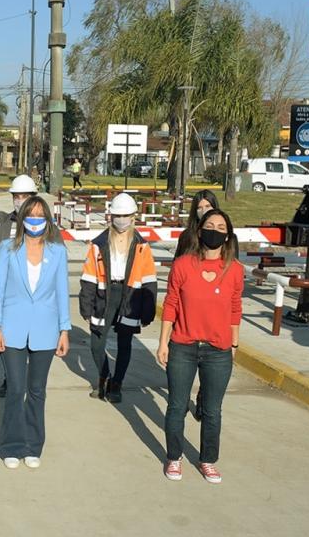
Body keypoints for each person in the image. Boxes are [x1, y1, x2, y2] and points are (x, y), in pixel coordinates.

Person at [158, 208, 243, 484]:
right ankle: (174, 456)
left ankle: (208, 460)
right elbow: (170, 305)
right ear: (199, 231)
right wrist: (163, 343)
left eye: (221, 227)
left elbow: (235, 308)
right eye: (210, 225)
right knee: (176, 406)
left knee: (212, 410)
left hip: (218, 351)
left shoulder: (235, 270)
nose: (214, 231)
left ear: (228, 235)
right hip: (183, 346)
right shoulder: (182, 265)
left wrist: (234, 344)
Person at [0, 196, 70, 469]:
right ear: (22, 219)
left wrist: (64, 330)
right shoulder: (7, 249)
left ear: (48, 220)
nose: (35, 220)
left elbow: (61, 293)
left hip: (45, 332)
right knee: (15, 388)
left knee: (37, 390)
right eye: (30, 215)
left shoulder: (57, 251)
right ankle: (11, 445)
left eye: (40, 215)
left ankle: (33, 445)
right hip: (11, 329)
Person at [80, 193, 157, 403]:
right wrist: (86, 306)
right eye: (117, 215)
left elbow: (149, 278)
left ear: (133, 216)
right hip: (105, 296)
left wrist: (148, 310)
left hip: (130, 296)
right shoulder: (99, 243)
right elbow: (89, 276)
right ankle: (104, 377)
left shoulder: (142, 245)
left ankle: (117, 384)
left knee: (125, 344)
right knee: (96, 342)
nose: (121, 219)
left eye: (125, 215)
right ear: (110, 216)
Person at [173, 189, 239, 421]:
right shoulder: (186, 238)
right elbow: (175, 278)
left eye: (207, 206)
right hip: (188, 317)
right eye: (199, 208)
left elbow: (233, 277)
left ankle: (204, 397)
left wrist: (234, 340)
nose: (203, 211)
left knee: (211, 383)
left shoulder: (227, 239)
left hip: (214, 320)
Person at [0, 174, 38, 398]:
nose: (19, 200)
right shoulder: (2, 227)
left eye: (25, 196)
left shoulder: (45, 226)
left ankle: (29, 380)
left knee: (32, 341)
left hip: (35, 296)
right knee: (5, 340)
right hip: (6, 296)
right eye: (16, 196)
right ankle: (10, 378)